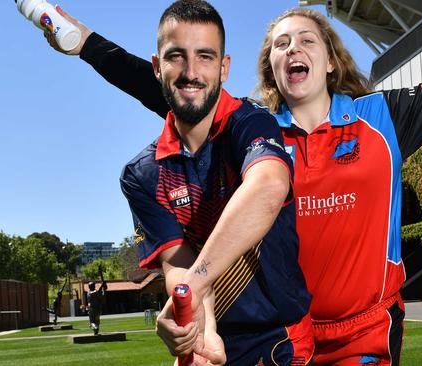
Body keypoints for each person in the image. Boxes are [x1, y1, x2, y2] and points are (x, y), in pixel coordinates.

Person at [42, 0, 422, 364]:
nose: (291, 48)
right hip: (284, 336)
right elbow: (164, 84)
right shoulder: (252, 129)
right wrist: (84, 44)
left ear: (328, 56)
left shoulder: (383, 118)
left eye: (304, 38)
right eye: (278, 44)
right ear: (269, 66)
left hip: (364, 330)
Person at [96, 1, 312, 364]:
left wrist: (190, 287)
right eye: (176, 56)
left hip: (281, 340)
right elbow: (177, 261)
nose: (191, 71)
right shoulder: (141, 174)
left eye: (206, 56)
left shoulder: (251, 123)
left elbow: (268, 187)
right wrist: (199, 325)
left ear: (224, 68)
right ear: (156, 67)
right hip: (207, 345)